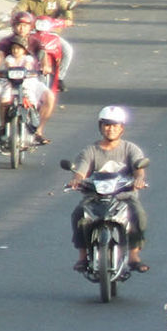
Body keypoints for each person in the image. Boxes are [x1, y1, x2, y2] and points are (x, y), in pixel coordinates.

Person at [67, 106, 151, 273]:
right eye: (107, 125)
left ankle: (134, 256)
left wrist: (139, 179)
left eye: (115, 125)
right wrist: (76, 181)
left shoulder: (130, 149)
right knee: (78, 215)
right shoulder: (90, 150)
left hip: (124, 197)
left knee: (139, 215)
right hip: (95, 198)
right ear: (100, 126)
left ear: (121, 128)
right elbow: (81, 171)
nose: (110, 129)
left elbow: (138, 168)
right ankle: (82, 256)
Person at [0, 11, 57, 146]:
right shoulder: (6, 42)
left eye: (25, 25)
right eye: (18, 25)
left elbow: (43, 55)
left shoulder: (35, 41)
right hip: (7, 80)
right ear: (13, 26)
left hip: (30, 79)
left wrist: (46, 66)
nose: (21, 28)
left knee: (50, 97)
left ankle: (38, 132)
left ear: (31, 27)